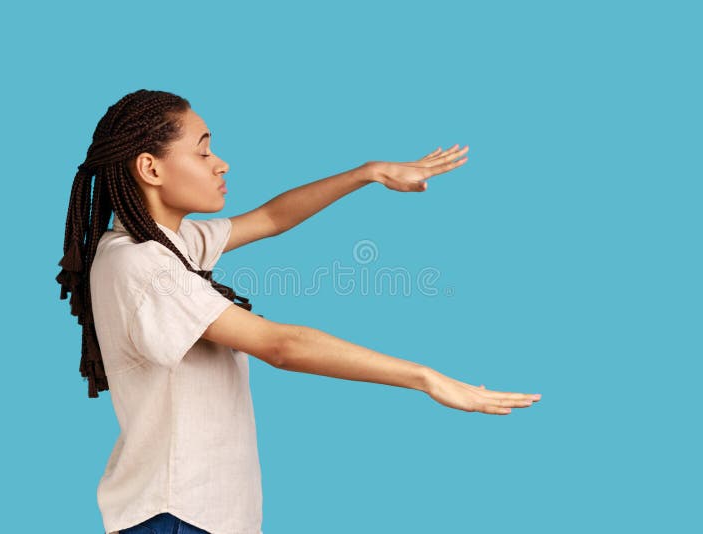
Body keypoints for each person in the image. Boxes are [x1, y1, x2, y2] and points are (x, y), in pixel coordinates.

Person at [56, 89, 541, 534]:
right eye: (203, 150)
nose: (220, 163)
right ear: (151, 168)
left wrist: (366, 172)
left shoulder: (170, 245)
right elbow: (282, 346)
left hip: (195, 514)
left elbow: (270, 218)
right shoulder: (140, 262)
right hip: (177, 516)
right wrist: (425, 377)